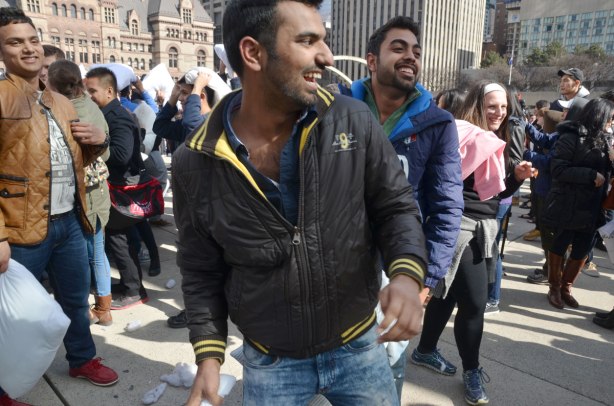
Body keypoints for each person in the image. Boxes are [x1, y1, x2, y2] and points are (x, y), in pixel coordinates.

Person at [173, 1, 428, 405]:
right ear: (253, 53)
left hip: (360, 345)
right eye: (308, 41)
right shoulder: (195, 160)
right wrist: (208, 355)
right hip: (270, 361)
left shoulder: (352, 120)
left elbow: (396, 207)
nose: (326, 57)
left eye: (323, 40)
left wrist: (406, 277)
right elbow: (200, 267)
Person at [0, 8, 118, 405]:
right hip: (20, 231)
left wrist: (99, 140)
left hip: (69, 222)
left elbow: (74, 161)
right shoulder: (0, 97)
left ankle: (82, 359)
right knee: (11, 318)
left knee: (74, 301)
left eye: (32, 39)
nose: (29, 48)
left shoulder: (61, 102)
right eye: (16, 42)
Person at [343, 16, 463, 399]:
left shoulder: (437, 123)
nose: (410, 57)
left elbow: (446, 208)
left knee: (387, 368)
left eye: (416, 51)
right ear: (371, 60)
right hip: (333, 262)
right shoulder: (336, 110)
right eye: (398, 48)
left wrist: (425, 282)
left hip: (396, 270)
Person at [411, 81, 533, 405]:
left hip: (483, 226)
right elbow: (442, 186)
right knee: (476, 304)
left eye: (504, 107)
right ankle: (472, 371)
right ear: (478, 103)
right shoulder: (462, 133)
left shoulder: (492, 140)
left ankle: (424, 350)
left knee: (447, 297)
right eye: (493, 105)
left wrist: (516, 179)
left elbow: (493, 194)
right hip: (460, 228)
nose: (499, 112)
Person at [47, 59, 114, 325]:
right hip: (96, 195)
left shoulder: (67, 112)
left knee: (88, 256)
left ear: (53, 85)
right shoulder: (90, 106)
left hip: (83, 198)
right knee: (97, 253)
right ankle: (103, 308)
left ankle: (95, 309)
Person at [84, 67, 149, 310]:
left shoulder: (117, 116)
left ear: (109, 90)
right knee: (120, 239)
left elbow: (121, 155)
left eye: (92, 91)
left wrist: (100, 141)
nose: (88, 95)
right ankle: (129, 284)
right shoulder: (106, 113)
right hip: (116, 186)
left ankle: (134, 289)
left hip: (121, 186)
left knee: (120, 240)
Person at [153, 70, 213, 329]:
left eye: (187, 97)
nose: (183, 102)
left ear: (202, 97)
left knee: (196, 267)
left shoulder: (211, 122)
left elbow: (191, 125)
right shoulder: (193, 119)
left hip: (205, 209)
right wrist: (172, 99)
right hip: (190, 206)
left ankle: (196, 313)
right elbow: (160, 127)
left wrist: (198, 86)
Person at [541, 98, 614, 309]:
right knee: (561, 244)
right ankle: (554, 287)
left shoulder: (606, 139)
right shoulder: (570, 136)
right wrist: (590, 174)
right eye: (609, 118)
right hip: (569, 202)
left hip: (594, 205)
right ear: (599, 116)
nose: (611, 122)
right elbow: (558, 170)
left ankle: (566, 287)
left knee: (583, 249)